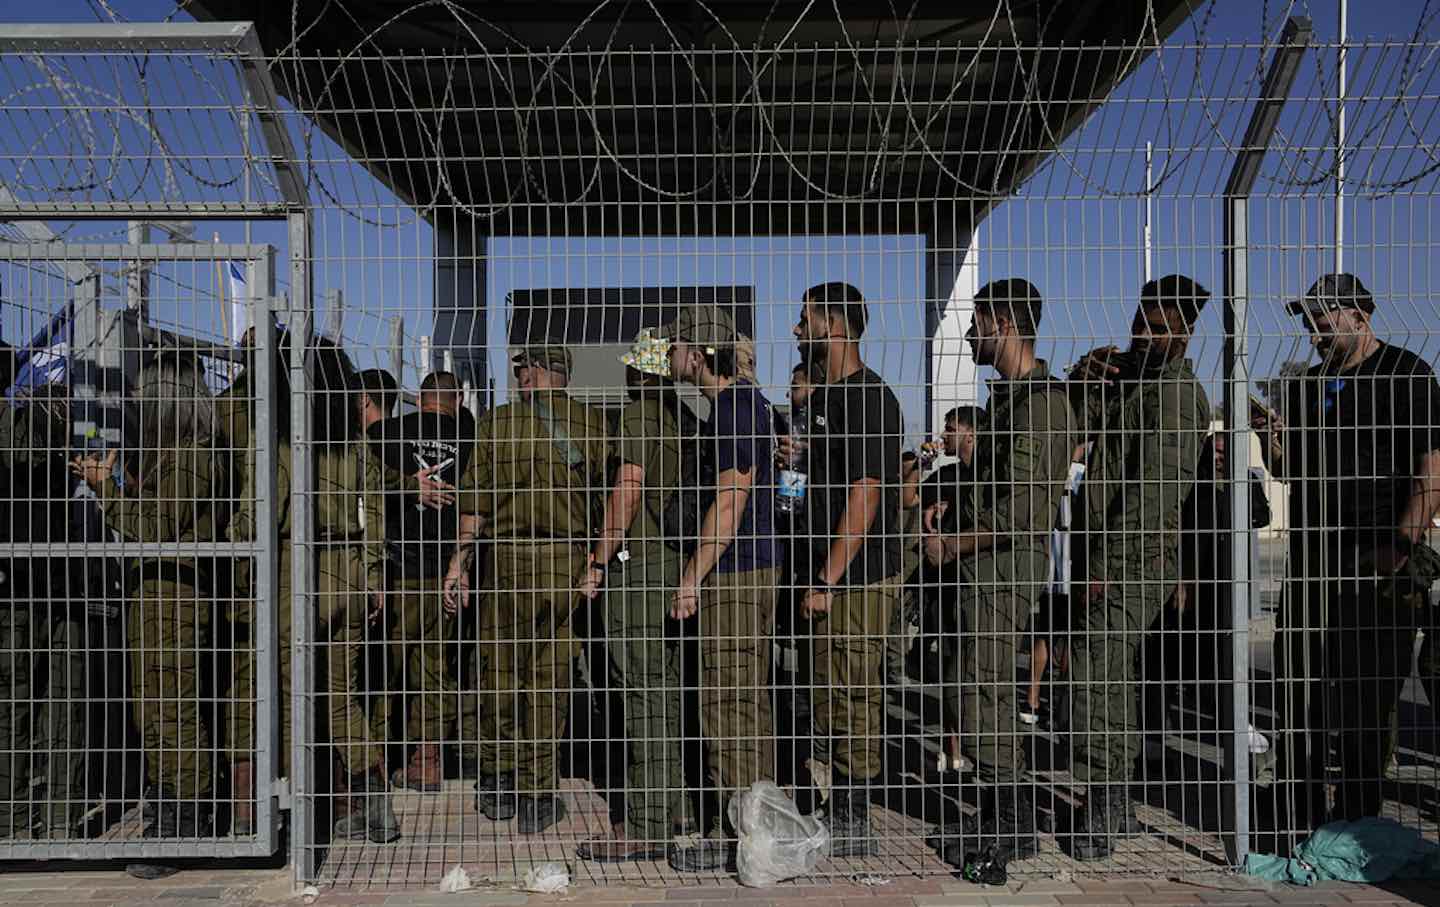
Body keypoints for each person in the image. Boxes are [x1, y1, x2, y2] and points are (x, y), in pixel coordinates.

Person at [1253, 273, 1440, 844]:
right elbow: (1292, 472)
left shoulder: (1407, 375)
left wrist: (1401, 544)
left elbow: (1432, 466)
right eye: (1307, 321)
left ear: (1360, 316)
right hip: (1313, 559)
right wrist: (1273, 443)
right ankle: (1300, 812)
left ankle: (1359, 822)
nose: (1312, 332)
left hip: (1377, 561)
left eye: (1322, 318)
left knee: (1366, 701)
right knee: (1300, 688)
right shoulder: (1310, 385)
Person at [920, 279, 1076, 867]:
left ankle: (1010, 826)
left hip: (1000, 571)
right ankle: (996, 814)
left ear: (1005, 323)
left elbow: (1020, 510)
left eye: (978, 321)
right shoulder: (1011, 399)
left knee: (986, 693)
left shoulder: (1036, 402)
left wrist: (952, 544)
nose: (968, 333)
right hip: (985, 568)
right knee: (975, 690)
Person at [224, 339, 400, 846]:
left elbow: (263, 512)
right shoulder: (353, 439)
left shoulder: (278, 436)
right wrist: (371, 576)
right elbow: (376, 516)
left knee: (282, 693)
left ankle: (278, 811)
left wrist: (231, 543)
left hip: (293, 570)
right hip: (347, 571)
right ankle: (377, 806)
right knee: (340, 696)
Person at [1064, 274, 1212, 861]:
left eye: (1158, 328)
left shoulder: (1176, 396)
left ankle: (1104, 799)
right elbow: (1075, 420)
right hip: (1105, 554)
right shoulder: (1135, 382)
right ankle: (1111, 799)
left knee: (1100, 674)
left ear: (1184, 334)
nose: (1144, 337)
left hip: (1131, 559)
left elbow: (1154, 496)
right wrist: (1086, 374)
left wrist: (1105, 564)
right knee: (1107, 672)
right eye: (1139, 324)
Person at [444, 343, 611, 834]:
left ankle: (497, 782)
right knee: (548, 679)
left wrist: (460, 561)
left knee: (499, 671)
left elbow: (474, 504)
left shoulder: (497, 423)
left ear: (538, 371)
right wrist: (594, 562)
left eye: (521, 369)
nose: (517, 377)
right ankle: (539, 793)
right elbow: (606, 502)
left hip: (507, 562)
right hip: (566, 562)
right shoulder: (594, 424)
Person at [72, 353, 229, 874]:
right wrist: (120, 481)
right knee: (153, 709)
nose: (136, 404)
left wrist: (106, 490)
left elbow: (159, 524)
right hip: (157, 594)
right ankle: (169, 804)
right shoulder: (173, 455)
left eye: (145, 395)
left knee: (172, 709)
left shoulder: (193, 454)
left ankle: (188, 818)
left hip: (175, 597)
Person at [782, 281, 904, 858]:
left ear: (835, 324)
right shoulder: (824, 399)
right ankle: (838, 804)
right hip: (825, 574)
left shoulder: (869, 398)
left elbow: (866, 493)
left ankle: (855, 820)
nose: (797, 328)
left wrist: (828, 579)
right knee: (829, 692)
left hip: (856, 577)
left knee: (853, 693)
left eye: (805, 317)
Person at [660, 305, 780, 871]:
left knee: (727, 702)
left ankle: (734, 836)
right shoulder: (744, 404)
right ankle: (755, 826)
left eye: (678, 345)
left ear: (701, 354)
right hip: (749, 567)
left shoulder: (733, 408)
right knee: (748, 702)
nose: (670, 355)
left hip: (733, 571)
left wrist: (691, 577)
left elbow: (730, 502)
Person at [575, 329, 695, 862]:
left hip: (639, 568)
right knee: (665, 694)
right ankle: (672, 807)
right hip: (671, 565)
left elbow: (628, 488)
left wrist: (598, 560)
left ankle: (644, 825)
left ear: (640, 373)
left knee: (641, 696)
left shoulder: (639, 416)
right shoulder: (681, 419)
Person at [367, 371, 474, 791]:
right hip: (446, 570)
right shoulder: (468, 440)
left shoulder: (386, 434)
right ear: (458, 398)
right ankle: (427, 762)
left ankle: (374, 765)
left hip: (396, 571)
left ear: (419, 398)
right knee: (435, 673)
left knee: (382, 672)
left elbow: (367, 485)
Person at [0, 386, 95, 839]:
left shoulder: (17, 437)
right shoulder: (63, 453)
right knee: (61, 705)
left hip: (18, 588)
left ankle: (11, 816)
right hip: (56, 587)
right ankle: (61, 819)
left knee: (15, 707)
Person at [1141, 433, 1272, 757]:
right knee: (1165, 661)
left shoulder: (1241, 480)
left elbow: (1262, 515)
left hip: (1221, 586)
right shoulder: (1189, 483)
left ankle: (1234, 724)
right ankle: (1154, 737)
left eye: (1225, 453)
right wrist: (1180, 582)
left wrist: (1236, 483)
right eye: (1214, 452)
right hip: (1183, 585)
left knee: (1217, 661)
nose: (1218, 458)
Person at [1023, 441, 1088, 729]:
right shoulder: (1065, 471)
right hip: (1059, 569)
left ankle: (1058, 703)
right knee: (1050, 635)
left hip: (1075, 567)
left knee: (1067, 637)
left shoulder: (1081, 472)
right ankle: (1035, 697)